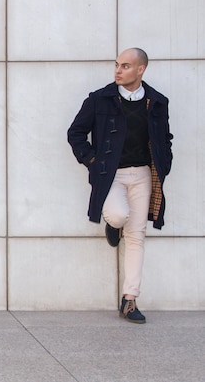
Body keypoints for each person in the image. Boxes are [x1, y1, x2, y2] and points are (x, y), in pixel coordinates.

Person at [67, 48, 172, 324]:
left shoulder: (157, 102)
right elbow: (75, 132)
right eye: (117, 65)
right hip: (110, 174)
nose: (118, 70)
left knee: (137, 236)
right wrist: (92, 161)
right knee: (118, 215)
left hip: (143, 175)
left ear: (141, 70)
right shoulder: (99, 99)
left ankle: (130, 299)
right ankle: (113, 227)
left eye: (125, 66)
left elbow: (165, 138)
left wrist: (164, 162)